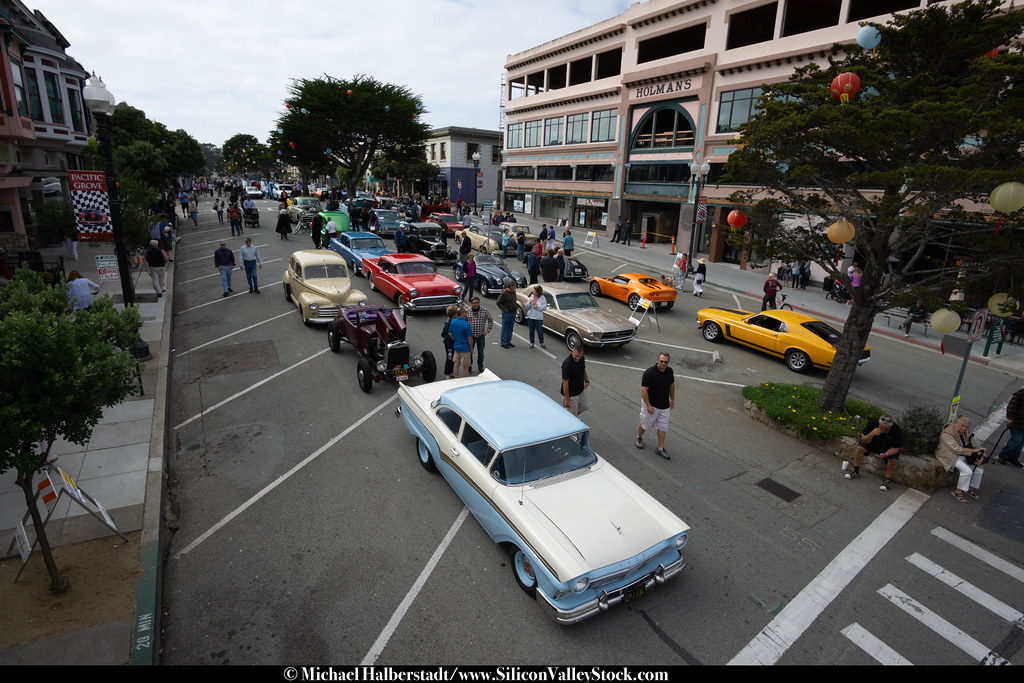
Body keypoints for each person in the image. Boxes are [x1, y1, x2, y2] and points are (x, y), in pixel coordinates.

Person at [843, 413, 903, 491]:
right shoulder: (872, 423)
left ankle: (887, 480)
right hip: (872, 444)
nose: (884, 430)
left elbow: (896, 448)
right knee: (860, 449)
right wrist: (872, 434)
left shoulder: (896, 429)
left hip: (887, 448)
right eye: (882, 428)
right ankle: (855, 470)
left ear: (890, 426)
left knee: (893, 460)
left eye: (886, 429)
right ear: (879, 424)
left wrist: (885, 454)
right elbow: (864, 440)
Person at [936, 416, 987, 503]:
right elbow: (955, 449)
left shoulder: (966, 432)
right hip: (950, 455)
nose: (964, 428)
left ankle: (969, 488)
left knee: (979, 471)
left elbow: (975, 444)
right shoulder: (948, 432)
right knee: (967, 471)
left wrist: (982, 456)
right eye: (962, 425)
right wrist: (973, 451)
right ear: (956, 423)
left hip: (964, 455)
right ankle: (957, 491)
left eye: (966, 427)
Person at [637, 352, 675, 460]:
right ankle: (639, 437)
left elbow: (672, 385)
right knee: (645, 424)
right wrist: (648, 406)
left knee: (663, 427)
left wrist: (672, 399)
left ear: (668, 362)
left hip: (664, 406)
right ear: (657, 360)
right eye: (661, 361)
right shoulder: (649, 373)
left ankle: (660, 448)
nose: (663, 363)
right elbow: (644, 390)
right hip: (651, 405)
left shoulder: (670, 372)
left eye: (665, 362)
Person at [998, 386, 1024, 468]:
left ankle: (1013, 458)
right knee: (1016, 440)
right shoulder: (1020, 394)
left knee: (1021, 443)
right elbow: (1012, 406)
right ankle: (1003, 455)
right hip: (1018, 422)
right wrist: (1009, 417)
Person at [466, 297, 493, 373]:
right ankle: (469, 367)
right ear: (471, 303)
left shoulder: (484, 310)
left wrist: (487, 330)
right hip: (470, 337)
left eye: (477, 302)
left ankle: (480, 367)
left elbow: (491, 320)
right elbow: (464, 323)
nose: (476, 304)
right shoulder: (467, 311)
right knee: (469, 352)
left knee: (481, 353)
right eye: (474, 303)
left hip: (481, 336)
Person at [561, 345, 590, 416]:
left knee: (584, 407)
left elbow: (583, 370)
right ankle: (570, 423)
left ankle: (573, 421)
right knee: (570, 414)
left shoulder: (581, 359)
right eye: (576, 356)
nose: (578, 358)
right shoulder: (567, 364)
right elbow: (565, 382)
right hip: (571, 395)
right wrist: (567, 399)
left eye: (580, 356)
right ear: (572, 352)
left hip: (579, 391)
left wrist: (586, 381)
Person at [448, 306, 473, 378]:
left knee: (456, 364)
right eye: (465, 312)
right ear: (463, 313)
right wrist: (471, 348)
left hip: (456, 346)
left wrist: (455, 340)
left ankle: (456, 378)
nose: (466, 313)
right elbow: (470, 338)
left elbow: (450, 333)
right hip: (465, 348)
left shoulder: (453, 322)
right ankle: (465, 381)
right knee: (465, 367)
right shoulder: (466, 324)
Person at [496, 280, 518, 348]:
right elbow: (498, 303)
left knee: (510, 328)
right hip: (507, 313)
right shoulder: (504, 293)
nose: (515, 287)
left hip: (513, 312)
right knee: (505, 328)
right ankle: (503, 342)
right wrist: (504, 309)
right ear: (510, 286)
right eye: (514, 286)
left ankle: (508, 341)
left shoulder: (513, 292)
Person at [526, 285, 547, 349]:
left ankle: (541, 342)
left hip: (538, 317)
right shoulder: (531, 297)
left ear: (538, 291)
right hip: (531, 316)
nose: (533, 291)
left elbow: (544, 308)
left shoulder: (543, 298)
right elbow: (526, 306)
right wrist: (529, 302)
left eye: (534, 290)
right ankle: (532, 342)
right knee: (531, 330)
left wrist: (538, 307)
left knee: (540, 330)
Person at [441, 305, 458, 379]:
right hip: (449, 344)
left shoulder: (450, 321)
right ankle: (447, 373)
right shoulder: (449, 323)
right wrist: (449, 347)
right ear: (454, 314)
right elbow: (447, 336)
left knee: (452, 359)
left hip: (452, 343)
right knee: (449, 358)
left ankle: (450, 372)